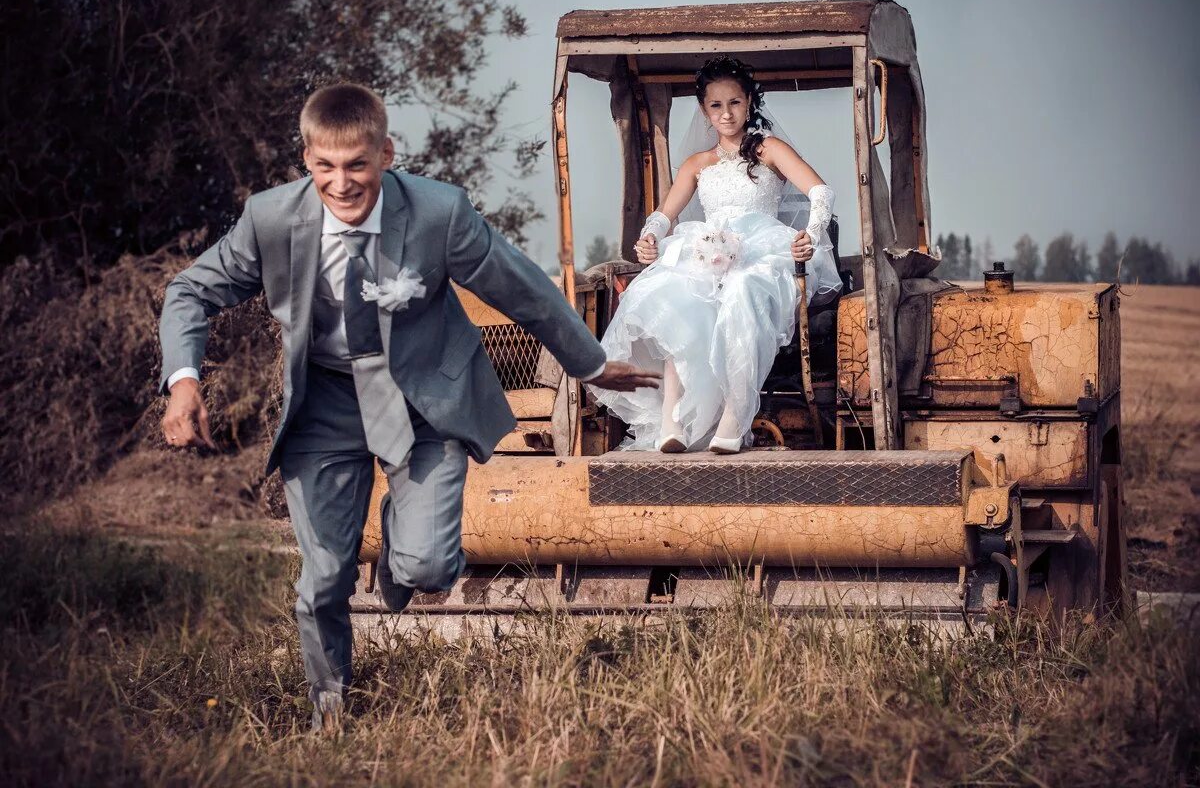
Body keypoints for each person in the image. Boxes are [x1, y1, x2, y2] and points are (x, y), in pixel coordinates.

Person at [157, 83, 656, 731]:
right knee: (325, 575)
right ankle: (329, 702)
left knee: (429, 566)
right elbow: (190, 292)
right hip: (326, 402)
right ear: (306, 158)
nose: (342, 183)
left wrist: (591, 362)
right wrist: (184, 382)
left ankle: (400, 543)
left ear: (386, 152)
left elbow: (523, 289)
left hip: (423, 398)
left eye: (358, 164)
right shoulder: (271, 219)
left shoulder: (437, 214)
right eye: (325, 166)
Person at [589, 56, 841, 454]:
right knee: (674, 298)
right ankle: (671, 419)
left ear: (749, 103)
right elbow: (663, 214)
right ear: (705, 110)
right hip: (707, 250)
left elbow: (821, 192)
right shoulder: (697, 163)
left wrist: (808, 236)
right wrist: (649, 237)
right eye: (716, 105)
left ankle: (733, 418)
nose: (726, 113)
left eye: (735, 103)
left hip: (760, 250)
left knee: (742, 293)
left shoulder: (769, 150)